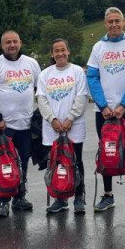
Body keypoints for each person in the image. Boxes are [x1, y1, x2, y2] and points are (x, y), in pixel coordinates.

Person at [87, 7, 125, 212]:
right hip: (103, 111)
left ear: (123, 23)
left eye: (117, 21)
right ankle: (108, 195)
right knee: (107, 152)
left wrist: (123, 104)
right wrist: (103, 105)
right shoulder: (98, 48)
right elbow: (92, 77)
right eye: (110, 21)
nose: (114, 25)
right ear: (105, 24)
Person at [0, 30, 42, 219]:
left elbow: (41, 90)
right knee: (2, 164)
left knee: (22, 163)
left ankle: (19, 197)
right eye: (8, 42)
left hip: (25, 125)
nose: (12, 45)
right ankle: (2, 201)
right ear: (2, 45)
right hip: (3, 126)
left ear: (20, 43)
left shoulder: (31, 64)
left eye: (15, 41)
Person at [37, 38, 89, 214]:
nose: (60, 54)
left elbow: (82, 97)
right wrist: (52, 119)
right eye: (56, 51)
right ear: (52, 54)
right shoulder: (45, 74)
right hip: (52, 128)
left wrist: (70, 118)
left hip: (74, 126)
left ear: (68, 51)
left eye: (63, 50)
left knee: (76, 161)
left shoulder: (77, 72)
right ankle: (60, 198)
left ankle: (79, 197)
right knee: (56, 163)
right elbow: (41, 99)